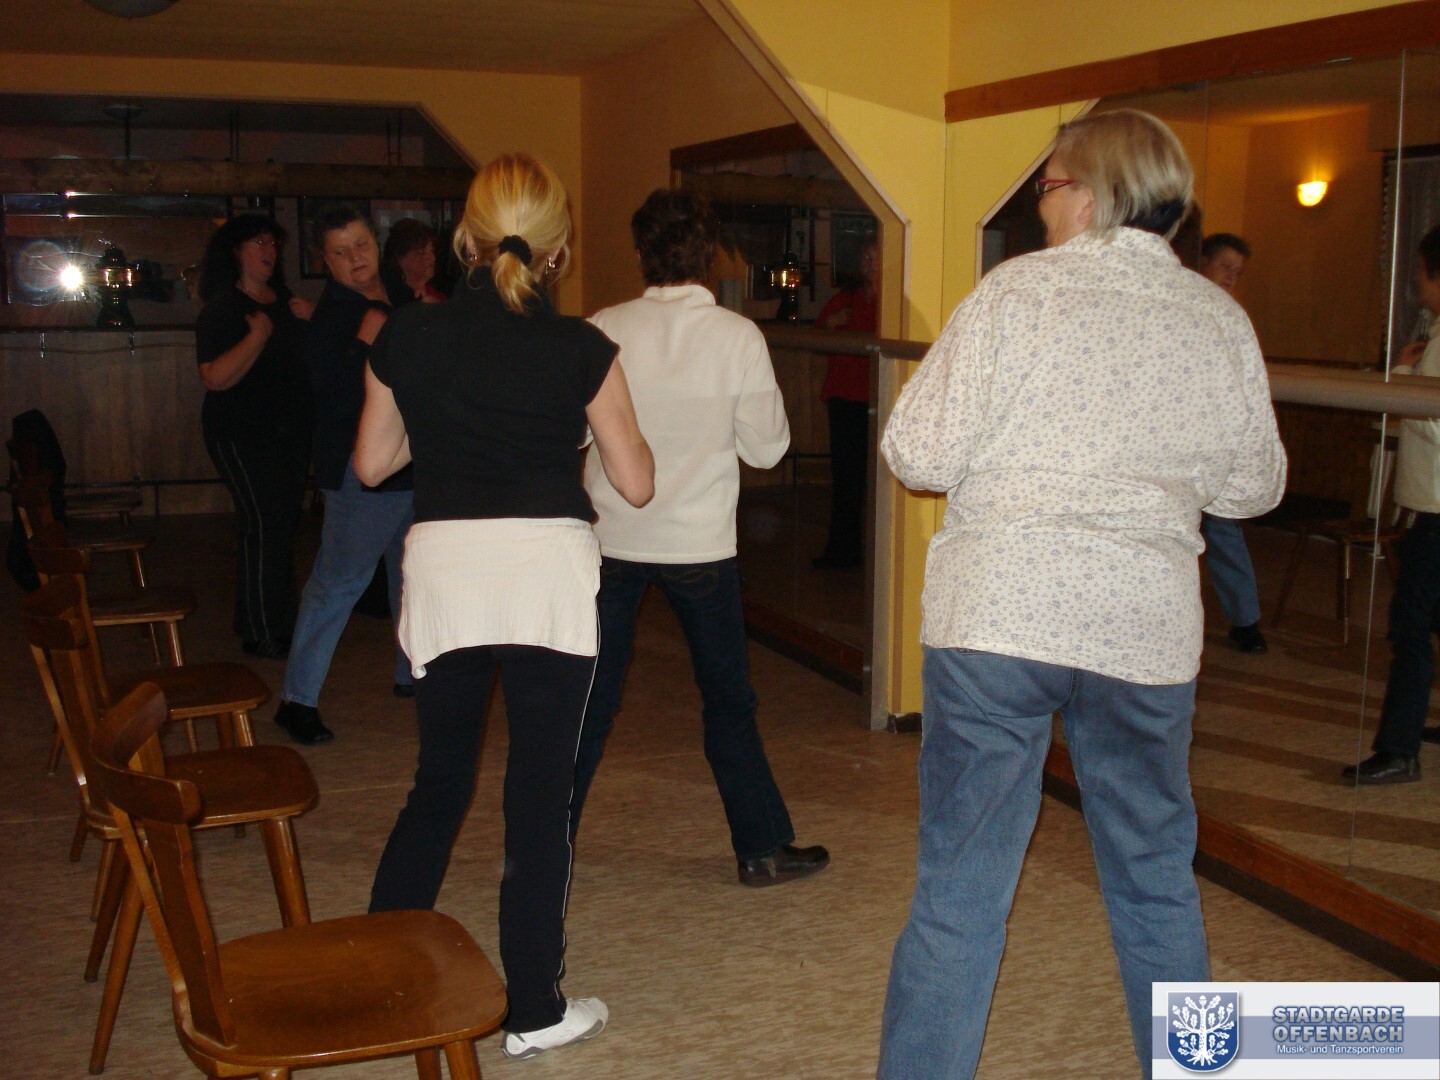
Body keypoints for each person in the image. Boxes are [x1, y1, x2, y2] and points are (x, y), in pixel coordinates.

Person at [876, 109, 1285, 1079]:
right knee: (1154, 881)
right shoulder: (1217, 319)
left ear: (1095, 195)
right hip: (1141, 631)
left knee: (960, 891)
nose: (1041, 207)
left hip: (998, 618)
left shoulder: (1016, 294)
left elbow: (916, 452)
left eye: (1050, 187)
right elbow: (1254, 486)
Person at [358, 153, 653, 1060]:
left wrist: (452, 424)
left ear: (467, 238)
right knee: (538, 796)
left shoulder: (406, 333)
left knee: (438, 783)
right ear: (558, 250)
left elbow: (372, 464)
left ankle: (375, 980)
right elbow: (637, 483)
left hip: (446, 573)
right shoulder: (580, 348)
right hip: (545, 578)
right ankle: (534, 1010)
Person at [569, 188, 830, 888]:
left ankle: (544, 848)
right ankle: (761, 849)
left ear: (640, 252)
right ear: (709, 254)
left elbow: (572, 434)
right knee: (727, 700)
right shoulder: (737, 337)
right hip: (700, 547)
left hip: (611, 539)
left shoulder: (601, 329)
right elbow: (768, 448)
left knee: (589, 699)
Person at [270, 205, 414, 745]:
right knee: (338, 584)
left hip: (413, 463)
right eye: (340, 251)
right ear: (324, 261)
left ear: (376, 243)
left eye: (361, 244)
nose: (355, 257)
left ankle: (412, 672)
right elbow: (329, 403)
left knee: (412, 576)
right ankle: (296, 701)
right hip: (361, 472)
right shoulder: (332, 317)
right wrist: (362, 347)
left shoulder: (399, 296)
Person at [1344, 224, 1440, 784]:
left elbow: (1434, 422)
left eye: (1422, 273)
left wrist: (1402, 377)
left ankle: (1399, 749)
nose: (1418, 284)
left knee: (1410, 628)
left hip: (1438, 512)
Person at [195, 214, 314, 658]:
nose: (270, 251)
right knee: (263, 524)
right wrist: (258, 336)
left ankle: (270, 620)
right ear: (236, 251)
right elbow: (214, 377)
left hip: (288, 433)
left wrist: (313, 321)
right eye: (259, 242)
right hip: (240, 435)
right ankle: (263, 629)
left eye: (273, 243)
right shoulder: (225, 308)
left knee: (282, 525)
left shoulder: (286, 302)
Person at [1197, 233, 1268, 653]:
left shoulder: (1230, 317)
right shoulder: (1180, 302)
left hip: (1214, 445)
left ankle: (1246, 622)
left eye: (1237, 273)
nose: (1230, 277)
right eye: (1225, 267)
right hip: (1174, 445)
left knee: (1224, 529)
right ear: (1203, 261)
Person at [812, 238, 879, 570]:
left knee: (878, 484)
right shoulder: (845, 300)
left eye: (875, 257)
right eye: (865, 257)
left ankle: (879, 557)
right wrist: (830, 325)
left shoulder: (894, 303)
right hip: (844, 400)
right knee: (846, 481)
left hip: (882, 401)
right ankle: (842, 552)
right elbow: (817, 338)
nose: (869, 263)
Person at [381, 217, 447, 305]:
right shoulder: (388, 299)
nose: (432, 258)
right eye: (421, 252)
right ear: (400, 258)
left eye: (431, 250)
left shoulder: (439, 297)